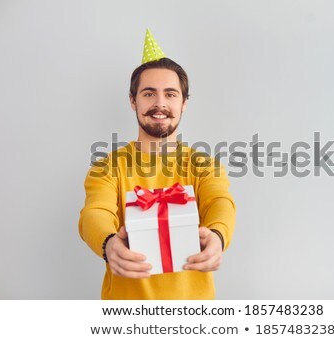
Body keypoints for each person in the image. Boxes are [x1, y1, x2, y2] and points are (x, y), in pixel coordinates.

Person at [78, 29, 236, 299]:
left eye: (171, 94)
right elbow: (95, 212)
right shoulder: (107, 167)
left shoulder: (205, 165)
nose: (160, 103)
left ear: (184, 103)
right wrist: (108, 243)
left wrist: (218, 237)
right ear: (133, 101)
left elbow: (219, 201)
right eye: (149, 93)